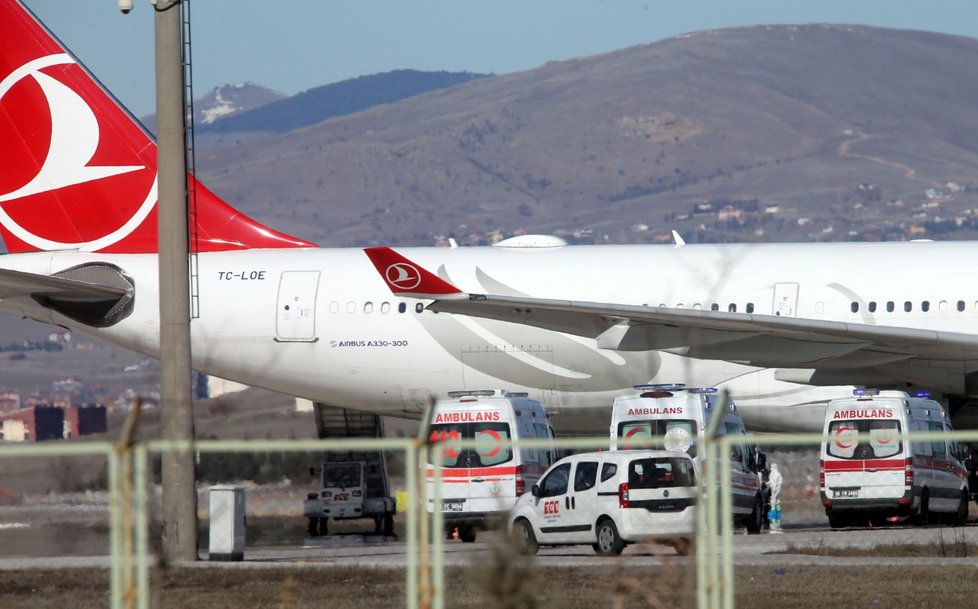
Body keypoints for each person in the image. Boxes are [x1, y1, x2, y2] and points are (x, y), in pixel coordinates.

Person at [767, 463, 783, 533]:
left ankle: (773, 523)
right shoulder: (778, 473)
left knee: (773, 504)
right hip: (778, 489)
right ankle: (778, 523)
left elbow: (773, 482)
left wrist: (773, 490)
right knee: (778, 504)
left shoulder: (773, 473)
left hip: (775, 489)